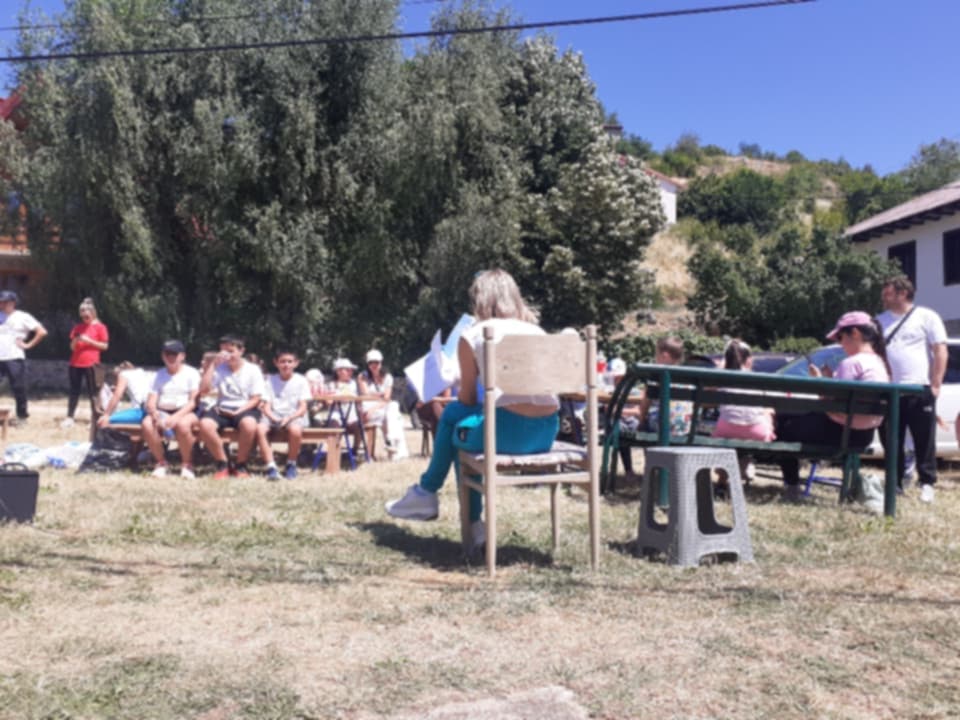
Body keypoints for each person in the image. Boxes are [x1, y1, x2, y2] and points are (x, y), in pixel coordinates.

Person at [385, 269, 560, 554]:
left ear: (480, 299)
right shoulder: (538, 333)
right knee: (460, 425)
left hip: (505, 433)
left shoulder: (475, 334)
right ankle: (442, 505)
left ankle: (434, 497)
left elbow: (466, 399)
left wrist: (454, 377)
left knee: (456, 421)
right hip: (546, 432)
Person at [775, 311, 890, 502]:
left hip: (839, 432)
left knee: (783, 425)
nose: (840, 343)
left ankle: (792, 486)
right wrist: (828, 381)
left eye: (840, 337)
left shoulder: (851, 363)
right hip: (864, 435)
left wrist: (819, 382)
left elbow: (834, 406)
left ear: (855, 333)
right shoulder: (879, 363)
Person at [876, 275, 948, 504]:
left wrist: (935, 384)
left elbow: (940, 350)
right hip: (890, 390)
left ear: (903, 293)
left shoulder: (927, 316)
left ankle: (927, 483)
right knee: (891, 440)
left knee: (924, 439)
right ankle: (895, 483)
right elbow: (875, 354)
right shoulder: (878, 321)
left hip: (919, 387)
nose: (883, 297)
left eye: (888, 293)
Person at [197, 335, 265, 479]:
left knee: (249, 425)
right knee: (205, 424)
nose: (227, 355)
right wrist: (212, 365)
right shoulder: (219, 368)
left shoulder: (253, 370)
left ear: (241, 351)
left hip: (245, 408)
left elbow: (256, 399)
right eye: (223, 352)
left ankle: (241, 465)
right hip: (222, 408)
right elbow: (203, 390)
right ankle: (223, 464)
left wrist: (237, 412)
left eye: (231, 351)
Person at [142, 340, 201, 479]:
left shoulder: (192, 373)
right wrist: (154, 412)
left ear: (182, 356)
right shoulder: (158, 375)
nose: (170, 357)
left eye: (174, 354)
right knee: (147, 424)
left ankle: (187, 464)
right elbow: (151, 399)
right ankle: (161, 463)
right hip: (162, 410)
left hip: (186, 411)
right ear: (162, 356)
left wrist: (176, 417)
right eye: (167, 354)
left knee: (183, 425)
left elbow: (194, 401)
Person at [256, 348, 311, 480]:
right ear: (276, 363)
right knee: (260, 428)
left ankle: (291, 463)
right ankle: (271, 467)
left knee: (295, 430)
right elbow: (266, 406)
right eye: (282, 361)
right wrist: (274, 418)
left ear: (296, 363)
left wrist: (289, 418)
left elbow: (303, 407)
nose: (286, 365)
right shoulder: (270, 380)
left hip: (294, 415)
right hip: (273, 415)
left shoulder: (301, 381)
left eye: (289, 361)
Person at [713, 340, 775, 442]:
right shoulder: (759, 379)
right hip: (757, 432)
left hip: (725, 430)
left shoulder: (722, 378)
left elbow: (708, 388)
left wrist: (720, 367)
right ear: (748, 359)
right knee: (768, 409)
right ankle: (769, 436)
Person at [0, 290, 47, 424]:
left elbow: (42, 332)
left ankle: (22, 416)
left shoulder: (22, 316)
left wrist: (28, 345)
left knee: (18, 387)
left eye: (5, 302)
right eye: (1, 302)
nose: (2, 304)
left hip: (14, 357)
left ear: (13, 303)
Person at [62, 297, 109, 429]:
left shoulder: (100, 327)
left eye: (86, 312)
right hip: (75, 363)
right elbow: (72, 348)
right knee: (74, 391)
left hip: (92, 364)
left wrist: (89, 341)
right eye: (82, 313)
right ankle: (70, 417)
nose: (84, 316)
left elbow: (105, 346)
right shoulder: (78, 328)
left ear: (92, 313)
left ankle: (94, 418)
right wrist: (76, 340)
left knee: (93, 392)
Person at [358, 349, 408, 458]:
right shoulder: (362, 376)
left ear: (381, 363)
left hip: (380, 407)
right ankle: (393, 446)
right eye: (371, 362)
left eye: (376, 362)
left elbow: (387, 398)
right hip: (367, 407)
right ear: (367, 364)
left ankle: (391, 442)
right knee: (394, 414)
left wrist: (375, 403)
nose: (374, 365)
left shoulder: (388, 377)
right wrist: (380, 395)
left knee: (393, 407)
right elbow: (365, 395)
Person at [639, 336, 693, 437]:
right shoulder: (689, 376)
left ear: (665, 356)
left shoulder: (657, 376)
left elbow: (645, 405)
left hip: (662, 427)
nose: (655, 358)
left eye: (656, 354)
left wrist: (641, 422)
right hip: (685, 427)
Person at [96, 361, 155, 426]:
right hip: (154, 408)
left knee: (106, 421)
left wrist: (106, 415)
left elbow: (117, 395)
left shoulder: (124, 374)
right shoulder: (141, 372)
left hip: (141, 411)